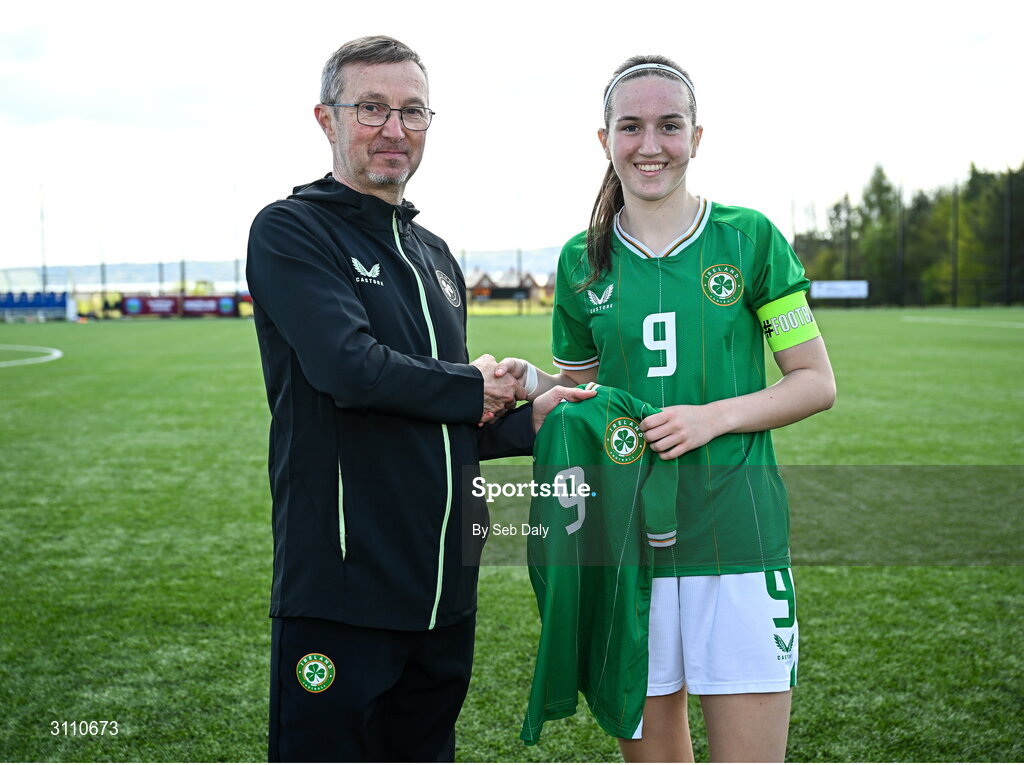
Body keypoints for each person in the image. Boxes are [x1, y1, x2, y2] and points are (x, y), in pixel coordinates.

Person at [245, 35, 589, 763]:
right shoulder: (291, 230)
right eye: (371, 107)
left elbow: (436, 419)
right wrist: (475, 384)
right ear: (325, 118)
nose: (394, 129)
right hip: (344, 594)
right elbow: (351, 370)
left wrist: (529, 420)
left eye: (412, 111)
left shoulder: (433, 255)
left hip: (444, 593)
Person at [501, 55, 836, 762]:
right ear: (605, 140)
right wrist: (530, 380)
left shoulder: (750, 239)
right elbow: (582, 406)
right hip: (626, 546)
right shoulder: (579, 262)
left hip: (736, 535)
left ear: (697, 136)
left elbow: (813, 381)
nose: (650, 144)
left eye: (669, 125)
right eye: (632, 126)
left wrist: (709, 417)